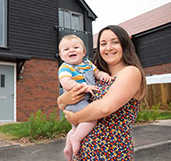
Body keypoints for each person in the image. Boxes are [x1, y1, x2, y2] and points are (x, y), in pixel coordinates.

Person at [57, 25, 146, 160]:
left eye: (115, 42)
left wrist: (75, 118)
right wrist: (62, 101)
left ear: (125, 45)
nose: (108, 47)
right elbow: (67, 101)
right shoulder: (98, 76)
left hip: (111, 153)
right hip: (84, 154)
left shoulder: (130, 72)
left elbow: (104, 107)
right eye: (103, 44)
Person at [58, 35, 112, 161]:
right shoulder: (65, 67)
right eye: (66, 49)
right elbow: (65, 82)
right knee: (92, 119)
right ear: (61, 56)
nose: (71, 50)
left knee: (76, 127)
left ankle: (68, 148)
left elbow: (97, 73)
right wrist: (83, 87)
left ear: (83, 52)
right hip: (76, 101)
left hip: (83, 100)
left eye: (76, 47)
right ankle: (76, 138)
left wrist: (104, 75)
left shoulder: (88, 63)